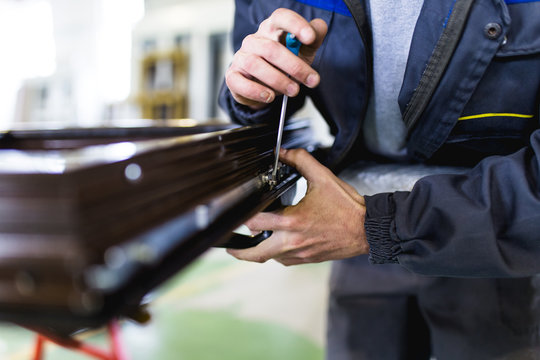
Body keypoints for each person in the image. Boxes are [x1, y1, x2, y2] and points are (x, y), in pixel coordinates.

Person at [219, 0, 540, 359]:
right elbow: (262, 106)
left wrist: (378, 226)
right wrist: (252, 94)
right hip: (352, 236)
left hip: (489, 246)